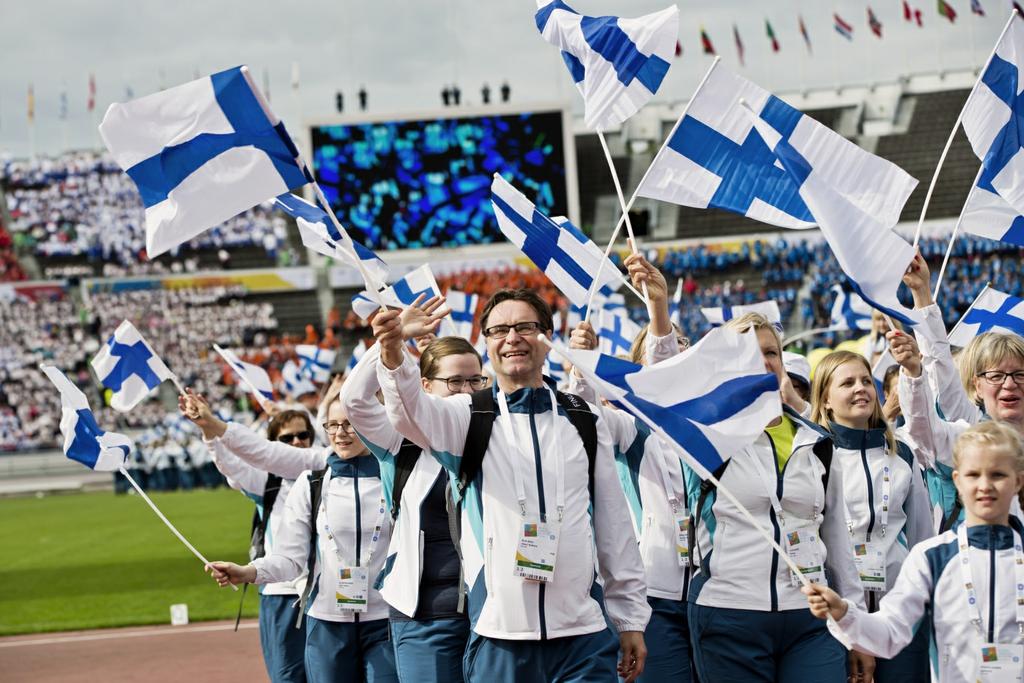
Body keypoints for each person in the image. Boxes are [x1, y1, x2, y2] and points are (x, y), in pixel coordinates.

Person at [371, 288, 650, 682]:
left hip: (583, 636)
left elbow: (614, 524)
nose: (512, 337)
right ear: (486, 342)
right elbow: (409, 412)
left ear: (548, 336)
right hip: (500, 636)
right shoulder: (467, 416)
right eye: (499, 329)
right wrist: (392, 352)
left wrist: (629, 618)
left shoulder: (583, 418)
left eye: (524, 326)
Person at [685, 312, 869, 683]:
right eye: (749, 353)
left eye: (771, 352)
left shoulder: (817, 441)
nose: (764, 361)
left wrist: (856, 622)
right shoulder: (703, 438)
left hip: (811, 614)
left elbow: (837, 538)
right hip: (729, 613)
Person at [803, 421, 1024, 683]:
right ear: (957, 480)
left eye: (997, 474)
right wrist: (843, 612)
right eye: (973, 475)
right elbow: (891, 630)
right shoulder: (931, 557)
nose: (985, 485)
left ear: (1018, 480)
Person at [203, 396, 398, 683]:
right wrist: (248, 572)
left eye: (350, 424)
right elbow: (289, 558)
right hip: (327, 623)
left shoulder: (396, 478)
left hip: (385, 621)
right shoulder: (311, 483)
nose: (341, 433)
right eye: (333, 425)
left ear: (372, 423)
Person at [568, 255, 694, 682]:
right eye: (666, 346)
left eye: (684, 347)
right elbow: (581, 417)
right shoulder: (628, 425)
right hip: (654, 593)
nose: (678, 353)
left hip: (720, 588)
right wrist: (582, 367)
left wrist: (661, 318)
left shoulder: (716, 424)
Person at [340, 295, 475, 683]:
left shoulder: (491, 435)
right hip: (424, 617)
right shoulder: (399, 441)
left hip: (492, 615)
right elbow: (355, 400)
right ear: (424, 385)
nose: (466, 389)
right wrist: (391, 344)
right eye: (454, 381)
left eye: (474, 379)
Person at [809, 350, 933, 682]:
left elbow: (922, 533)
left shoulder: (901, 452)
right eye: (847, 382)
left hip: (901, 611)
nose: (860, 388)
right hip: (836, 614)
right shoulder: (813, 455)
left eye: (866, 380)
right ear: (825, 399)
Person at [184, 403, 313, 683]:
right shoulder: (268, 482)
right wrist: (209, 431)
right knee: (289, 676)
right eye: (287, 439)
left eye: (303, 436)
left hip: (325, 593)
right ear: (272, 446)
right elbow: (230, 466)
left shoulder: (329, 475)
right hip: (282, 592)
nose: (297, 443)